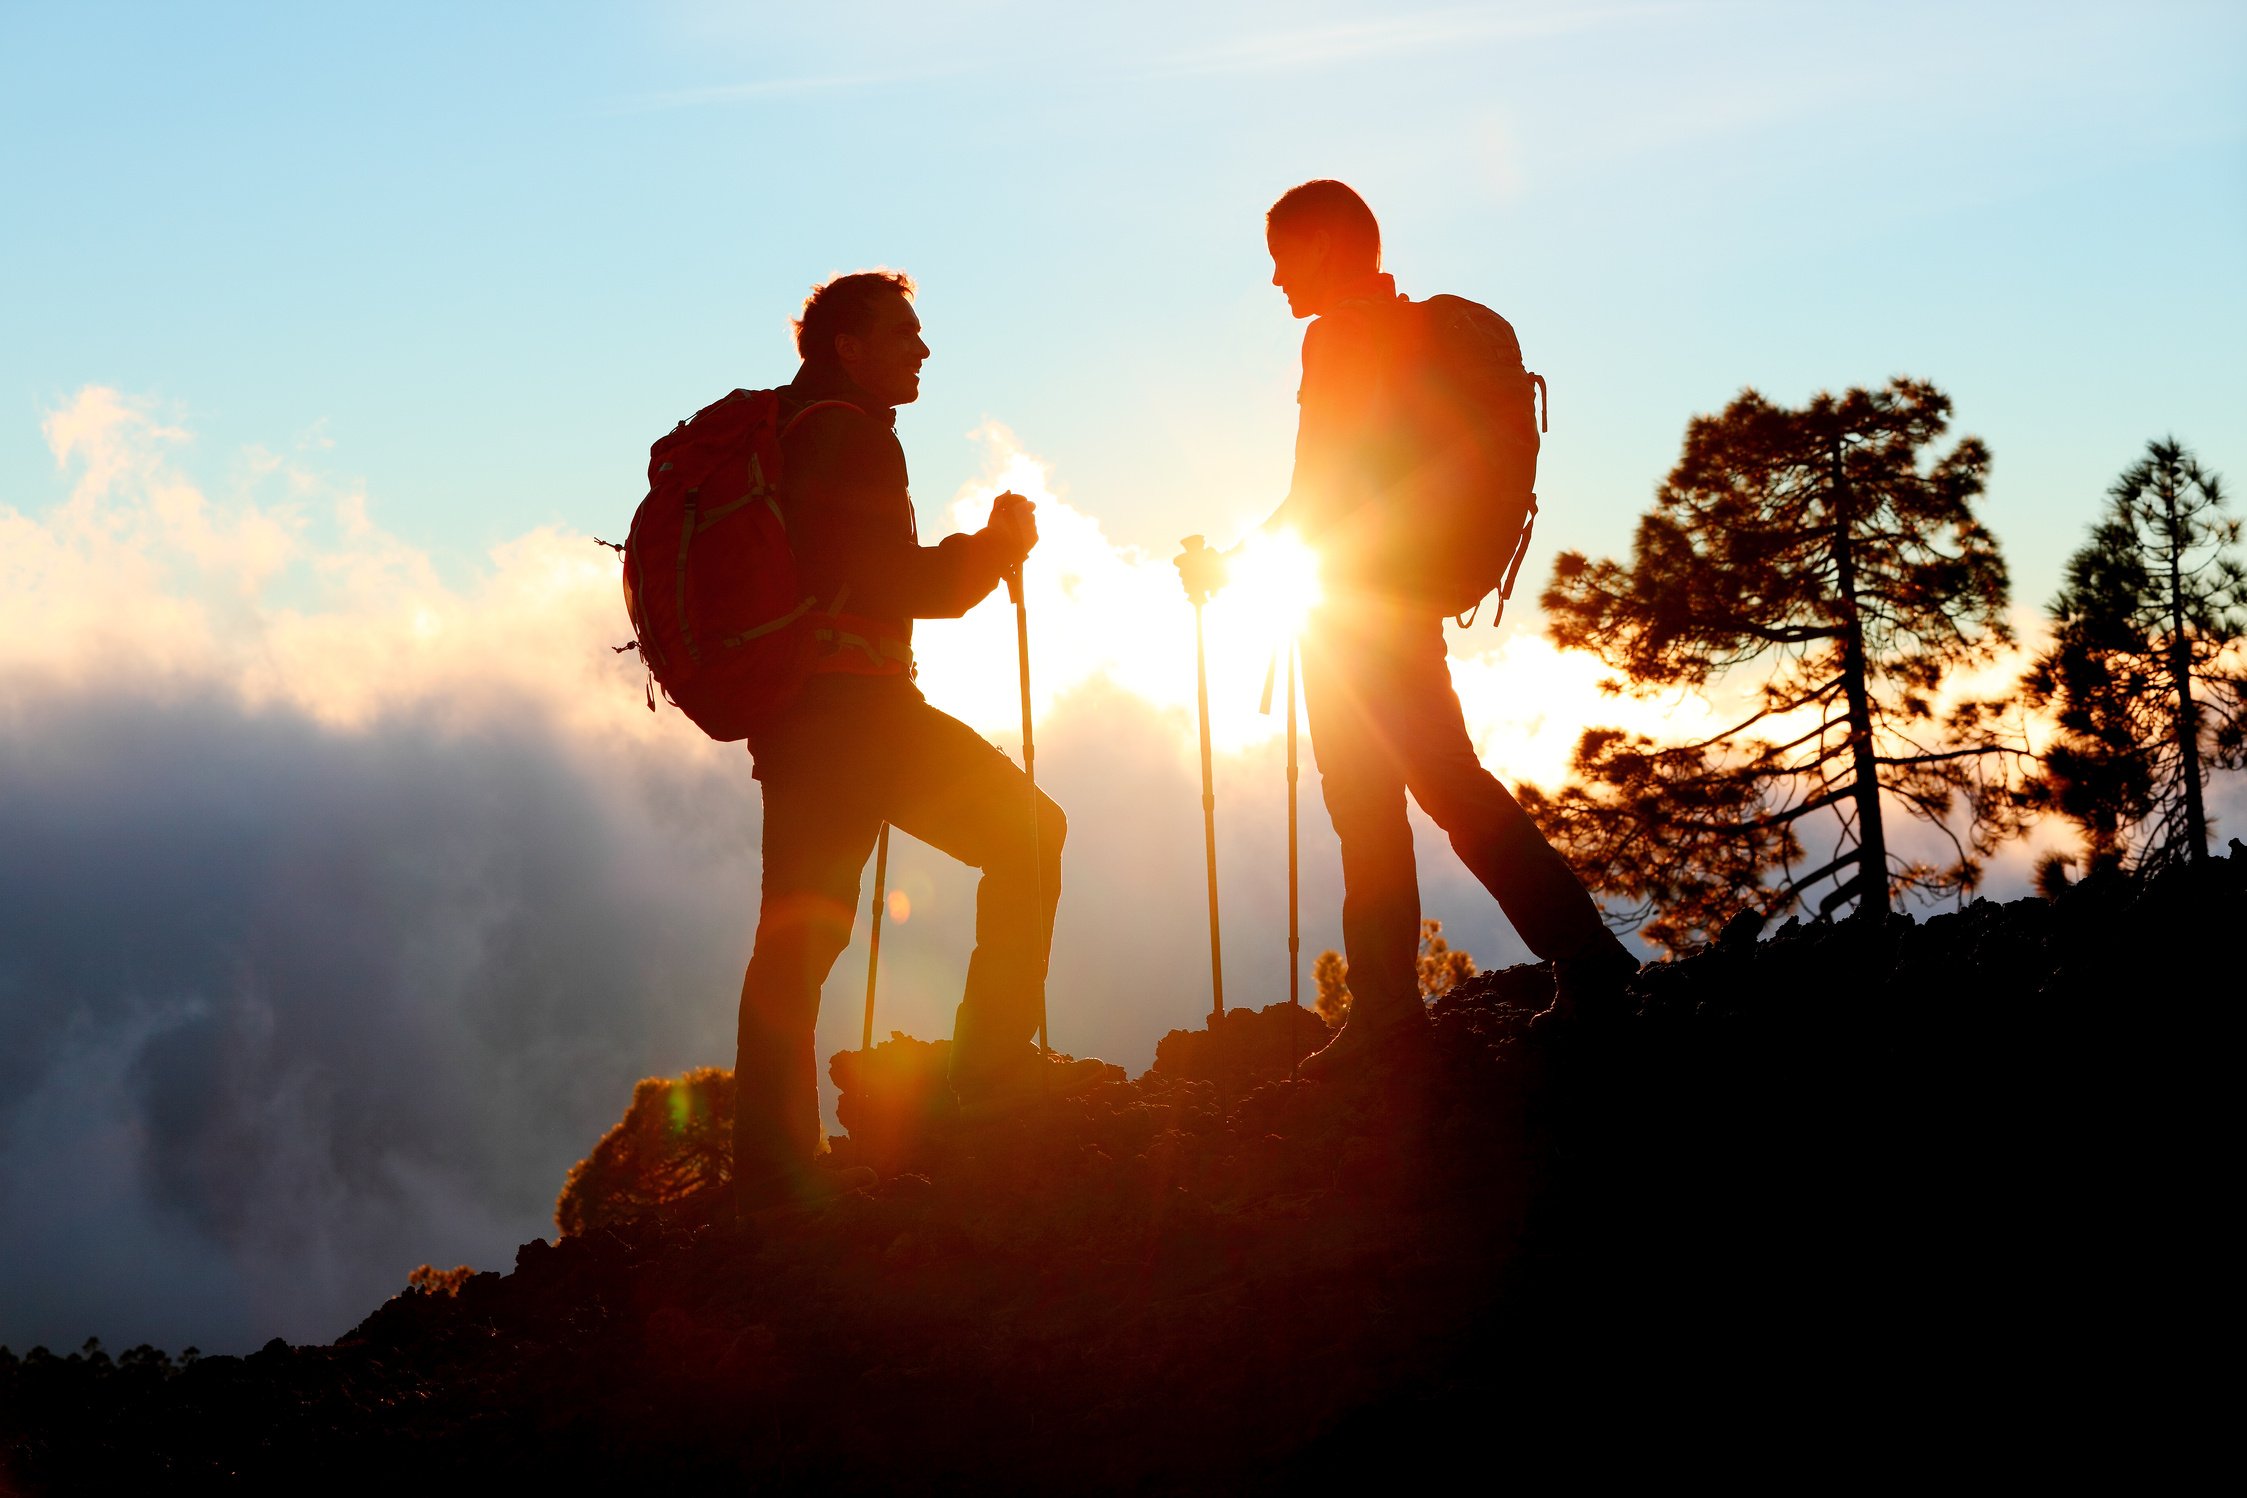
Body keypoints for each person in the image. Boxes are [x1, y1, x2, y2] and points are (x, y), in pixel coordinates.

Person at [1176, 181, 1638, 1077]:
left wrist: (1227, 567)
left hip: (1355, 611)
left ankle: (1406, 1008)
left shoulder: (1338, 337)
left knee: (1377, 803)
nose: (1274, 280)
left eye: (1281, 257)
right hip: (1401, 597)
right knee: (1441, 786)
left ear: (1318, 246)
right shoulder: (1407, 334)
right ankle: (1567, 964)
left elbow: (1319, 490)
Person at [736, 270, 1106, 1213]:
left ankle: (771, 1169)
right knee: (1031, 834)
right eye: (903, 333)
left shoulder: (791, 432)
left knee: (798, 937)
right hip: (860, 717)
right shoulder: (850, 437)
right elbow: (905, 587)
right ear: (847, 348)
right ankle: (988, 1072)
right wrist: (994, 548)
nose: (922, 351)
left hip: (799, 722)